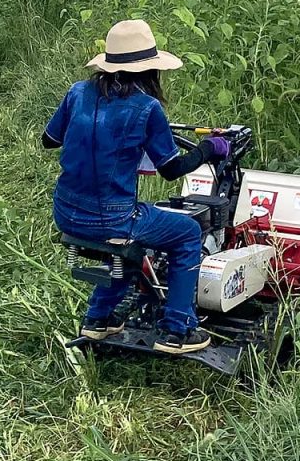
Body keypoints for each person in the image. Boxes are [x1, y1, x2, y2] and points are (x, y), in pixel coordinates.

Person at [43, 19, 228, 354]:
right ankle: (177, 329)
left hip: (66, 213)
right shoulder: (147, 107)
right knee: (185, 232)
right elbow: (172, 170)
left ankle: (98, 319)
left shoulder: (77, 92)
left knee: (131, 241)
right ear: (149, 70)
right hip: (112, 218)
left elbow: (48, 140)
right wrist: (208, 149)